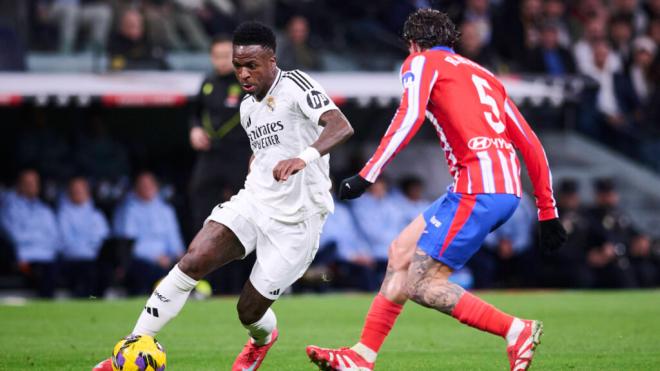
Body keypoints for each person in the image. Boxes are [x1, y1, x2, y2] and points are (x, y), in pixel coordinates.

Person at [306, 9, 566, 371]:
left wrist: (367, 174)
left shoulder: (420, 63)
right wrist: (547, 211)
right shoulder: (484, 74)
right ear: (451, 41)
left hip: (478, 189)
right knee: (400, 253)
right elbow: (530, 142)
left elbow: (408, 116)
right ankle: (362, 357)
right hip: (498, 188)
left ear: (412, 44)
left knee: (422, 283)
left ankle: (515, 330)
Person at [94, 21, 353, 371]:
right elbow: (265, 151)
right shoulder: (247, 107)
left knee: (248, 311)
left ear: (272, 60)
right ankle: (130, 348)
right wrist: (259, 165)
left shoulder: (296, 85)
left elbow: (340, 125)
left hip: (299, 220)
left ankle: (262, 340)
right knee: (193, 259)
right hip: (255, 202)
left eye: (252, 65)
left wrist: (301, 158)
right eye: (237, 65)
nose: (243, 74)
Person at [189, 34, 253, 294]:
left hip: (240, 155)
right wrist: (194, 130)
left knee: (249, 214)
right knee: (199, 201)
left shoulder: (247, 82)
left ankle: (250, 281)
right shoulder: (208, 82)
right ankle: (201, 275)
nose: (221, 61)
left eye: (226, 56)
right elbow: (194, 112)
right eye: (216, 56)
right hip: (211, 155)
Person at [113, 172, 185, 295]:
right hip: (141, 261)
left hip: (166, 260)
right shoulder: (128, 210)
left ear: (156, 187)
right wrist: (155, 257)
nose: (147, 188)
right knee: (152, 272)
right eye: (143, 185)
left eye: (150, 185)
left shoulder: (166, 210)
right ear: (136, 188)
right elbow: (128, 244)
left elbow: (174, 239)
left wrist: (180, 256)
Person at [0, 170, 60, 298]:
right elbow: (15, 236)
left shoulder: (44, 210)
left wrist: (32, 236)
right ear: (19, 185)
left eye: (34, 183)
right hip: (23, 259)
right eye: (27, 183)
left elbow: (54, 237)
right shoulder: (9, 208)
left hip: (47, 258)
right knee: (40, 274)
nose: (31, 187)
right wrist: (40, 237)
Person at [58, 176, 109, 297]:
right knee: (86, 271)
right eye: (75, 190)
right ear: (69, 193)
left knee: (105, 270)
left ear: (87, 192)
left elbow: (104, 239)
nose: (78, 193)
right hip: (73, 260)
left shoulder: (96, 215)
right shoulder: (63, 215)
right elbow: (64, 242)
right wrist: (89, 251)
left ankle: (98, 304)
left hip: (95, 259)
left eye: (81, 190)